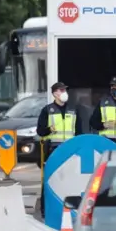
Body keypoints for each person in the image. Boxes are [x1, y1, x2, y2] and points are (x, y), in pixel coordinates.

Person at [36, 82, 83, 217]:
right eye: (61, 90)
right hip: (53, 149)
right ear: (55, 93)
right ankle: (46, 210)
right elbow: (40, 131)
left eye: (65, 90)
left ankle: (71, 208)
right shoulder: (47, 110)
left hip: (69, 150)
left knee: (71, 179)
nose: (64, 92)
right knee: (50, 179)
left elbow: (79, 132)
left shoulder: (73, 110)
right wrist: (49, 129)